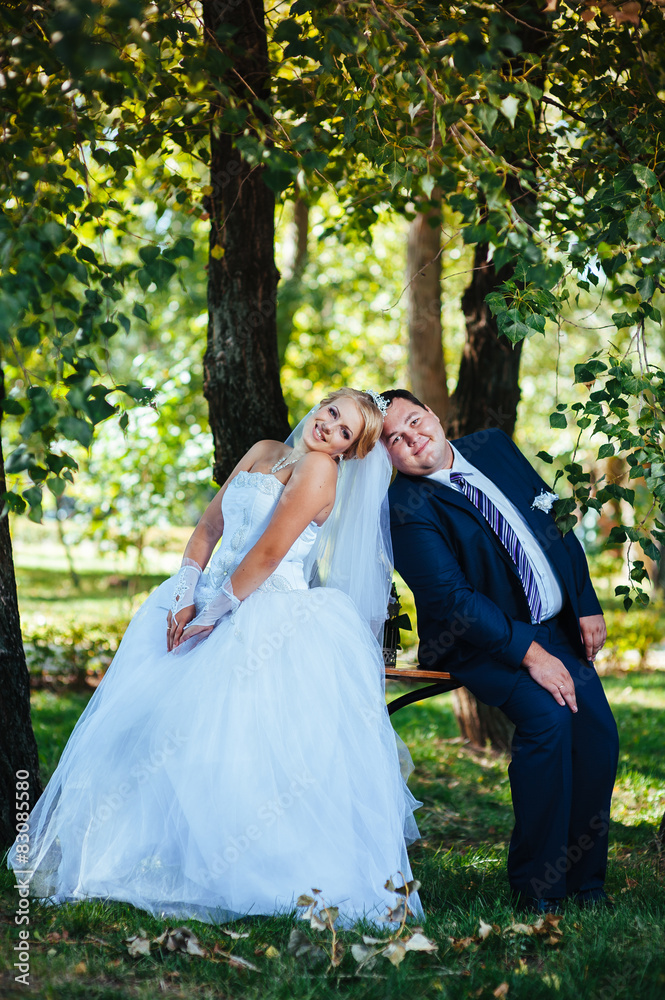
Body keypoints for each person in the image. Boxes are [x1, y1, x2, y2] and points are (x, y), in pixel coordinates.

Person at [7, 388, 422, 926]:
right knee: (153, 733)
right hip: (204, 598)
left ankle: (251, 873)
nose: (330, 429)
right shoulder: (265, 449)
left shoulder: (320, 471)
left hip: (265, 613)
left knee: (240, 747)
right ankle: (145, 854)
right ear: (320, 405)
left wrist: (214, 613)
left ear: (350, 452)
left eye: (346, 433)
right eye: (332, 414)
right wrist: (184, 591)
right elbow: (209, 527)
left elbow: (270, 553)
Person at [380, 389, 619, 913]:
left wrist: (585, 601)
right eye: (394, 439)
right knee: (548, 723)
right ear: (387, 456)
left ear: (433, 415)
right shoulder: (403, 505)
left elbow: (552, 519)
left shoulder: (492, 446)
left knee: (598, 738)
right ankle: (539, 887)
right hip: (479, 645)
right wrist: (531, 654)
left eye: (414, 421)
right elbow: (451, 599)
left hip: (557, 626)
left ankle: (588, 883)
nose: (412, 438)